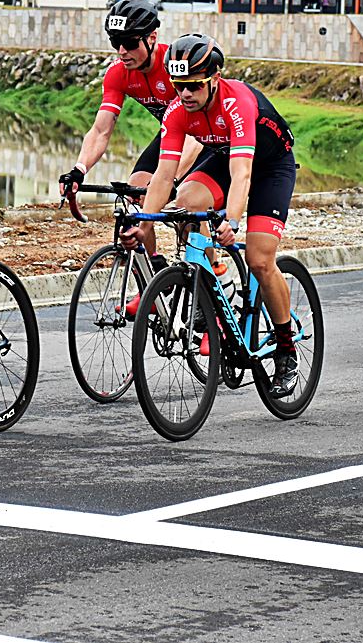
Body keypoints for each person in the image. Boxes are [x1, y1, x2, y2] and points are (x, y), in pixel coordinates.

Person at [120, 34, 300, 397]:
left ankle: (286, 350)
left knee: (260, 259)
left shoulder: (237, 104)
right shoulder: (177, 113)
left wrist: (231, 222)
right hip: (223, 157)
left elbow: (243, 174)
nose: (185, 94)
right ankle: (208, 293)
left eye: (193, 86)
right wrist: (143, 223)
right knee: (185, 204)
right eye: (178, 86)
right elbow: (164, 175)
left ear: (214, 78)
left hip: (268, 167)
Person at [58, 0, 203, 262]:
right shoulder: (119, 73)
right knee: (135, 193)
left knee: (186, 206)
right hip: (172, 136)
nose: (122, 51)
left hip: (205, 139)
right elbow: (101, 130)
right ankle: (153, 272)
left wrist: (171, 181)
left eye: (130, 43)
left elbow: (195, 137)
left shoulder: (176, 66)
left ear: (152, 38)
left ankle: (214, 272)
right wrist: (79, 168)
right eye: (116, 43)